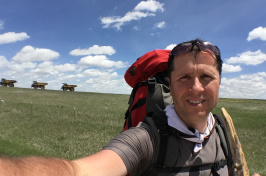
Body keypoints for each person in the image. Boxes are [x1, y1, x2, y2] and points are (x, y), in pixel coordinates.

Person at [0, 39, 260, 176]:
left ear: (220, 81)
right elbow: (79, 171)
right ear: (170, 83)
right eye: (184, 78)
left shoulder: (225, 130)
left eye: (206, 77)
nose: (196, 88)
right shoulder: (147, 138)